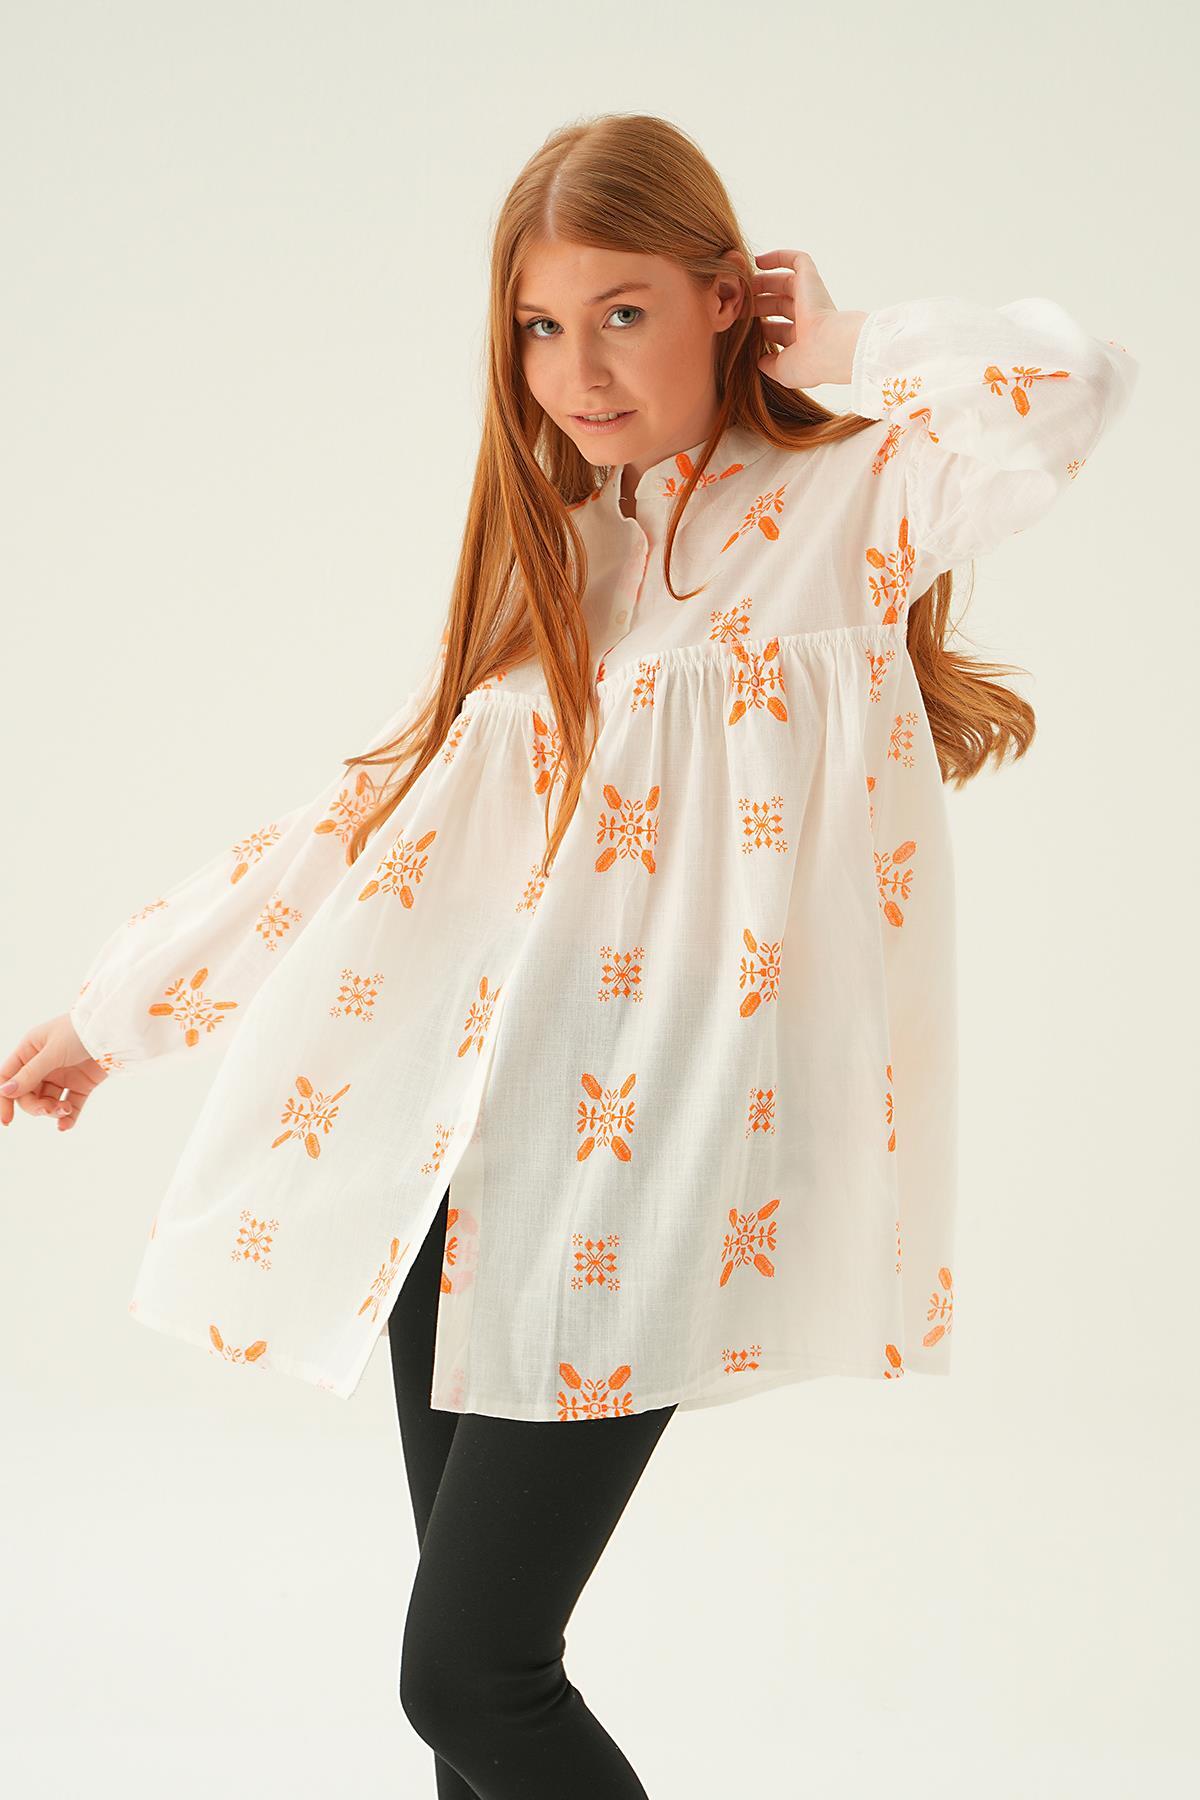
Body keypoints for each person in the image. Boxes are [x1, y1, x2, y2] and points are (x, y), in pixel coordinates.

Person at [1, 112, 1137, 1796]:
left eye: (623, 312)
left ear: (723, 298)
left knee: (470, 1678)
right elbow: (367, 815)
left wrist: (840, 342)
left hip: (651, 1162)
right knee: (476, 1703)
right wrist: (119, 1011)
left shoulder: (850, 505)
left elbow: (1071, 391)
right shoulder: (564, 552)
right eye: (541, 325)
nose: (579, 370)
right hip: (464, 1156)